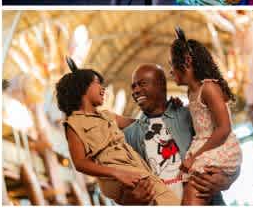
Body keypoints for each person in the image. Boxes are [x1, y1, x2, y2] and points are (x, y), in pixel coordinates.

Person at [55, 60, 180, 205]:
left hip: (135, 169)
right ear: (82, 88)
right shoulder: (73, 123)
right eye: (97, 83)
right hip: (115, 176)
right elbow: (80, 163)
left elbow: (143, 124)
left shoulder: (108, 116)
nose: (103, 89)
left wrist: (169, 108)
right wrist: (117, 173)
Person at [122, 63, 236, 205]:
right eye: (133, 86)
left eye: (142, 84)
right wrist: (132, 197)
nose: (136, 90)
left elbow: (227, 148)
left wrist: (227, 181)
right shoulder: (131, 134)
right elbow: (121, 191)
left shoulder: (189, 116)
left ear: (161, 85)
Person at [168, 29, 243, 205]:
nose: (170, 71)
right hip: (205, 146)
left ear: (186, 61)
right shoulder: (191, 92)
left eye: (172, 64)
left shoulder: (209, 88)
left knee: (192, 195)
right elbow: (202, 115)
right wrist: (182, 107)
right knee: (188, 195)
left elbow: (224, 128)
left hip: (219, 147)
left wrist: (194, 157)